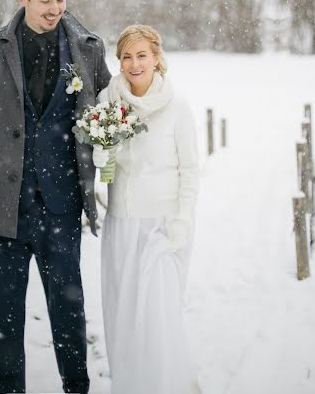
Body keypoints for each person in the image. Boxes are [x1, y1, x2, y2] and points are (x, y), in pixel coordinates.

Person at [0, 0, 111, 394]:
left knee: (68, 312)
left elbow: (109, 112)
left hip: (62, 207)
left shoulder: (88, 48)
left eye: (61, 0)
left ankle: (76, 388)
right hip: (2, 208)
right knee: (3, 316)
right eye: (45, 1)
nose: (54, 9)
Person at [95, 24, 200, 394]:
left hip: (163, 229)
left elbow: (190, 170)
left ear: (157, 58)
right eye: (126, 56)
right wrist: (101, 154)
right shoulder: (108, 103)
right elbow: (106, 166)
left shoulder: (177, 106)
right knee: (123, 320)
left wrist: (182, 222)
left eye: (142, 55)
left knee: (156, 321)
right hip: (122, 226)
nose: (134, 64)